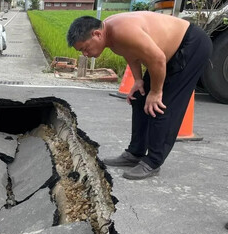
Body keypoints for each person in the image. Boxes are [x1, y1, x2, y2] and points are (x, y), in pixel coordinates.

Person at [67, 12, 212, 180]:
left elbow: (158, 58)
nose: (85, 54)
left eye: (85, 48)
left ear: (97, 34)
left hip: (191, 45)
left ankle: (153, 162)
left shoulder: (122, 31)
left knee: (162, 104)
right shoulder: (110, 34)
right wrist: (137, 80)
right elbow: (130, 53)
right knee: (139, 98)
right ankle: (135, 153)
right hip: (166, 54)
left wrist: (156, 92)